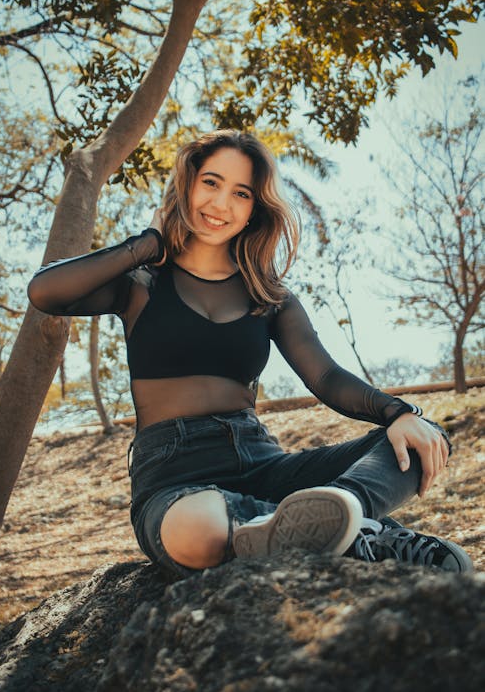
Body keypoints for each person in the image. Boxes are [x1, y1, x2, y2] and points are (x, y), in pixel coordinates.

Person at [27, 129, 473, 578]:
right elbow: (45, 292)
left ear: (254, 209)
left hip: (261, 460)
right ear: (187, 184)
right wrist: (148, 244)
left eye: (241, 193)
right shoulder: (141, 284)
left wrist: (400, 413)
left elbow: (325, 378)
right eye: (211, 183)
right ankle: (340, 532)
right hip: (173, 474)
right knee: (195, 530)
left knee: (422, 435)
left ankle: (346, 516)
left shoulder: (269, 296)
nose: (221, 204)